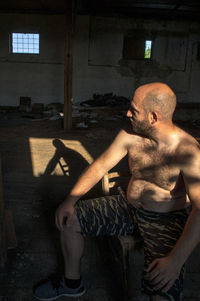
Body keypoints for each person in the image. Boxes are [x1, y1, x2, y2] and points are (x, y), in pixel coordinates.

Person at [33, 82, 200, 301]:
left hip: (165, 219)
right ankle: (72, 283)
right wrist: (70, 200)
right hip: (127, 207)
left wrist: (176, 261)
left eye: (134, 110)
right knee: (69, 219)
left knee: (162, 282)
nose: (128, 113)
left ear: (154, 117)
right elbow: (101, 165)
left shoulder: (187, 151)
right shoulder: (130, 133)